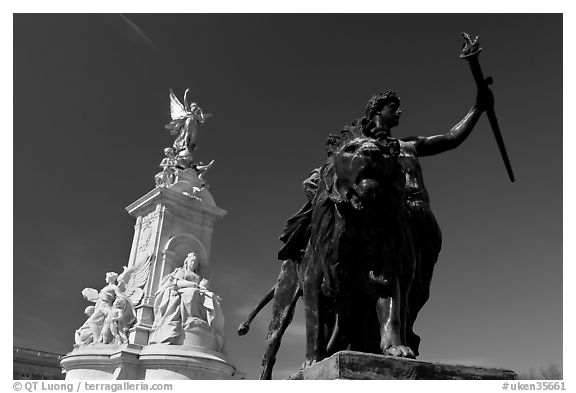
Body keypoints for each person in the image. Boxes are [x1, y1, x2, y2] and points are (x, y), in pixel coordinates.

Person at [150, 252, 225, 350]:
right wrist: (191, 285)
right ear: (187, 262)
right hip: (183, 290)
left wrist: (203, 286)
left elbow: (200, 287)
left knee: (212, 298)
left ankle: (208, 324)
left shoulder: (197, 276)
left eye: (195, 262)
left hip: (196, 291)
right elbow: (176, 281)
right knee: (192, 293)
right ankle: (190, 319)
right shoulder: (182, 271)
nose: (193, 263)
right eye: (192, 261)